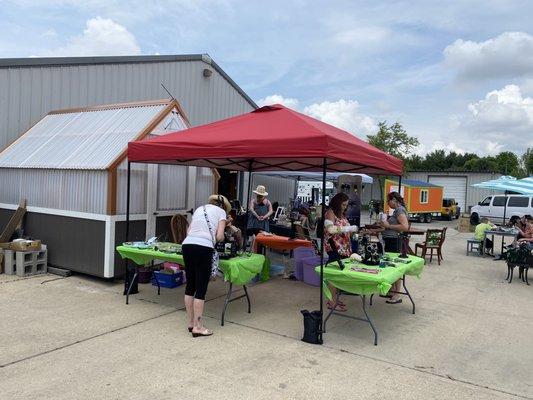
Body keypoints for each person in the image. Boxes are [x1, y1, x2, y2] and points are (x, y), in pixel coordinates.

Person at [182, 194, 231, 337]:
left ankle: (190, 323)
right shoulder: (221, 212)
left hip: (187, 245)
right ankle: (198, 327)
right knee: (201, 288)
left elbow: (189, 231)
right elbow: (220, 237)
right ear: (223, 206)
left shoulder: (199, 209)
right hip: (204, 248)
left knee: (190, 285)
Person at [324, 192, 359, 311]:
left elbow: (344, 230)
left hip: (343, 249)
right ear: (337, 203)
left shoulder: (341, 215)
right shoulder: (330, 213)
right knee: (334, 277)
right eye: (343, 204)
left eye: (346, 205)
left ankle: (334, 298)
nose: (345, 207)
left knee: (338, 276)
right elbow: (330, 229)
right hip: (334, 248)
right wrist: (348, 228)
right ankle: (331, 302)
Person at [379, 192, 409, 304]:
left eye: (388, 201)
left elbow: (405, 226)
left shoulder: (400, 210)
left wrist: (389, 226)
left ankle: (397, 294)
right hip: (391, 240)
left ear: (395, 200)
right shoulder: (397, 211)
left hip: (395, 241)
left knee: (395, 267)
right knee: (390, 265)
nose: (388, 203)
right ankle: (392, 291)